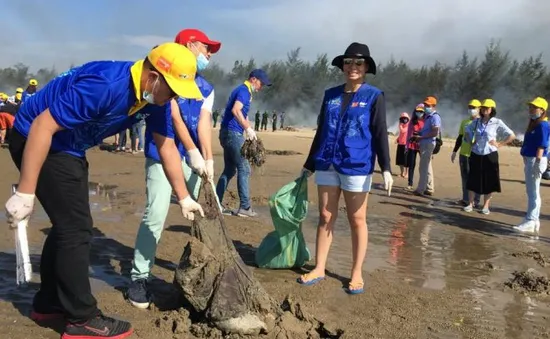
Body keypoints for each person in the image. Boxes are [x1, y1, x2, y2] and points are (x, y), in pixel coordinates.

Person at [4, 42, 204, 339]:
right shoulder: (107, 85)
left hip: (69, 147)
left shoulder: (155, 100)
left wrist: (184, 196)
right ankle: (81, 318)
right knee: (76, 229)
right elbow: (42, 127)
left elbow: (165, 146)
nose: (172, 98)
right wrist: (26, 191)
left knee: (67, 227)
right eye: (172, 90)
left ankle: (48, 303)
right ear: (153, 77)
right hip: (35, 138)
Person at [127, 28, 222, 309]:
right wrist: (191, 151)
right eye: (207, 49)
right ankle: (139, 277)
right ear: (190, 44)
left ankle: (198, 273)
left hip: (194, 158)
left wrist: (208, 157)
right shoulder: (168, 76)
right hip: (163, 152)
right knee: (156, 214)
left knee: (203, 214)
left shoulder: (205, 87)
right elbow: (174, 116)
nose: (209, 55)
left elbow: (204, 122)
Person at [298, 42, 393, 295]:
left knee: (357, 219)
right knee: (326, 216)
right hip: (327, 161)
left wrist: (386, 168)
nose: (353, 67)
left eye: (358, 63)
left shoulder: (374, 96)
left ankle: (356, 272)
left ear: (366, 68)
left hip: (357, 164)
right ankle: (319, 267)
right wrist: (309, 164)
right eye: (348, 62)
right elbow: (321, 130)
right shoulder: (330, 95)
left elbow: (380, 132)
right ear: (342, 65)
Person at [216, 69, 272, 217]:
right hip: (233, 133)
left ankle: (216, 203)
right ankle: (245, 207)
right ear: (253, 79)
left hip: (227, 133)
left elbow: (242, 114)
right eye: (261, 83)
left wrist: (251, 130)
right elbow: (236, 110)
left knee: (229, 170)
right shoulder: (244, 91)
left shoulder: (244, 92)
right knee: (244, 168)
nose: (261, 87)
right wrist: (247, 128)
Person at [463, 99, 515, 214]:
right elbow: (466, 130)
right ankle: (470, 204)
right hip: (476, 153)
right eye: (483, 107)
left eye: (487, 107)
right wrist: (470, 140)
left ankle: (486, 206)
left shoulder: (497, 122)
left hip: (490, 154)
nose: (484, 109)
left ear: (492, 109)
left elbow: (511, 135)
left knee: (489, 180)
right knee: (473, 179)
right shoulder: (477, 122)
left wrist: (500, 144)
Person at [514, 97, 549, 233]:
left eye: (534, 107)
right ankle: (533, 220)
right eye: (530, 107)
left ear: (542, 110)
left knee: (533, 191)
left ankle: (531, 219)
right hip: (530, 159)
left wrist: (538, 162)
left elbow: (542, 144)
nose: (531, 109)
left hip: (536, 160)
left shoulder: (543, 125)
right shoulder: (534, 123)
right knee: (531, 191)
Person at [451, 99, 481, 207]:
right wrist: (454, 151)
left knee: (474, 178)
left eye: (474, 108)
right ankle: (465, 199)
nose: (471, 110)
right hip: (463, 153)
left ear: (479, 109)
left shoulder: (481, 123)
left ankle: (475, 201)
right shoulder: (465, 122)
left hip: (474, 154)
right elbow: (460, 137)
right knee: (464, 177)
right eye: (470, 107)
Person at [413, 96, 441, 196]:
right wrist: (419, 134)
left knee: (423, 167)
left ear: (433, 106)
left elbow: (435, 132)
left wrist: (421, 137)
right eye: (425, 105)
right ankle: (429, 187)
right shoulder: (428, 116)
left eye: (428, 105)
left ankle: (421, 189)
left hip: (428, 143)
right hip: (425, 142)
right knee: (427, 166)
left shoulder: (434, 117)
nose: (425, 107)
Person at [405, 104, 425, 190]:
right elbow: (408, 134)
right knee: (411, 165)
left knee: (423, 165)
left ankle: (423, 184)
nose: (419, 113)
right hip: (412, 145)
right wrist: (406, 145)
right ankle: (410, 183)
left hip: (422, 145)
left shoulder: (426, 121)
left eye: (421, 111)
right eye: (417, 111)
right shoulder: (412, 121)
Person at [395, 112, 410, 178]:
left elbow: (403, 131)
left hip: (406, 145)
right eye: (402, 118)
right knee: (400, 159)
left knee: (406, 160)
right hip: (400, 144)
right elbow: (401, 134)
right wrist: (398, 139)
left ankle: (407, 173)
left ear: (408, 119)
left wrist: (400, 125)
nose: (404, 120)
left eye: (405, 118)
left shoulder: (409, 126)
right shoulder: (402, 125)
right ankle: (402, 173)